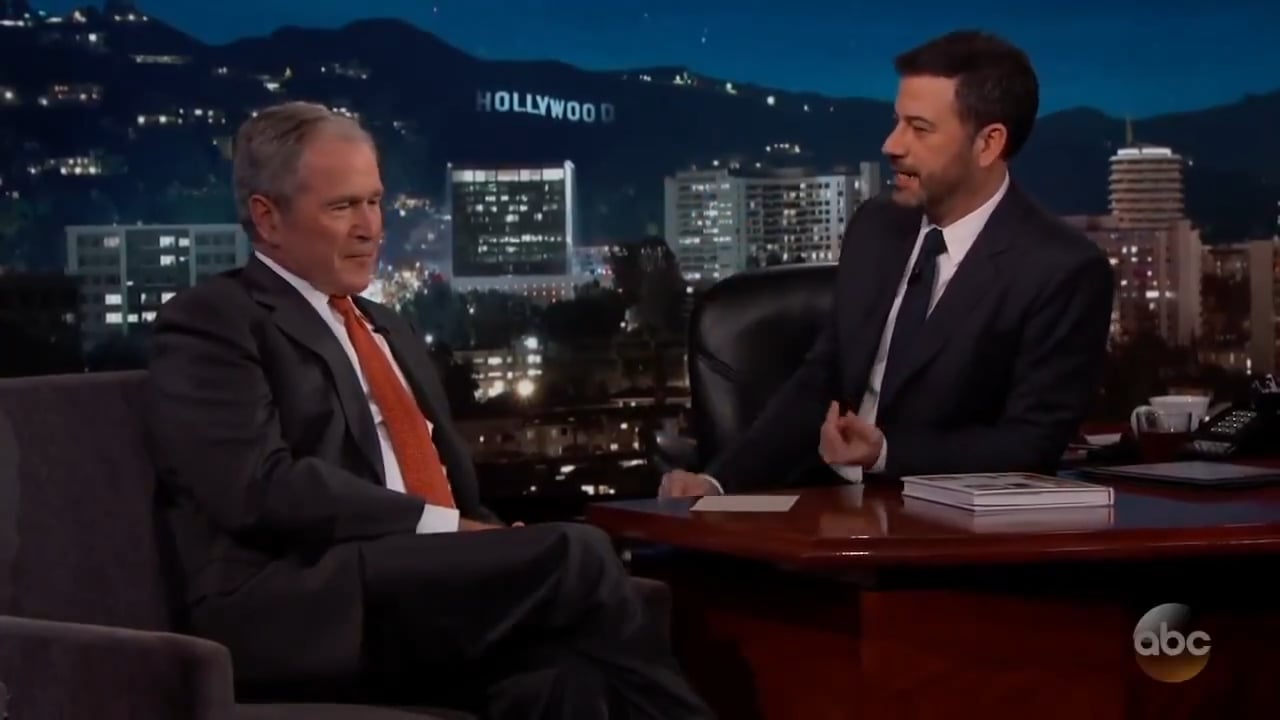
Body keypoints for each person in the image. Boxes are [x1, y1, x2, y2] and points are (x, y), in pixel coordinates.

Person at [144, 101, 713, 720]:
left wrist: (488, 538)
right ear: (267, 217)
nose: (370, 227)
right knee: (577, 554)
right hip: (302, 599)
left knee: (563, 684)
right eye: (342, 207)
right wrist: (444, 531)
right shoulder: (214, 320)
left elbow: (451, 492)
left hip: (417, 584)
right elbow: (256, 486)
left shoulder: (390, 327)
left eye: (374, 201)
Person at [662, 30, 1114, 497]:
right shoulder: (877, 226)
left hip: (946, 521)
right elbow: (821, 380)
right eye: (897, 122)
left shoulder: (1062, 270)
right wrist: (718, 481)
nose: (892, 145)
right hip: (827, 502)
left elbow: (1030, 446)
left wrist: (885, 454)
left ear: (987, 143)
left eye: (919, 129)